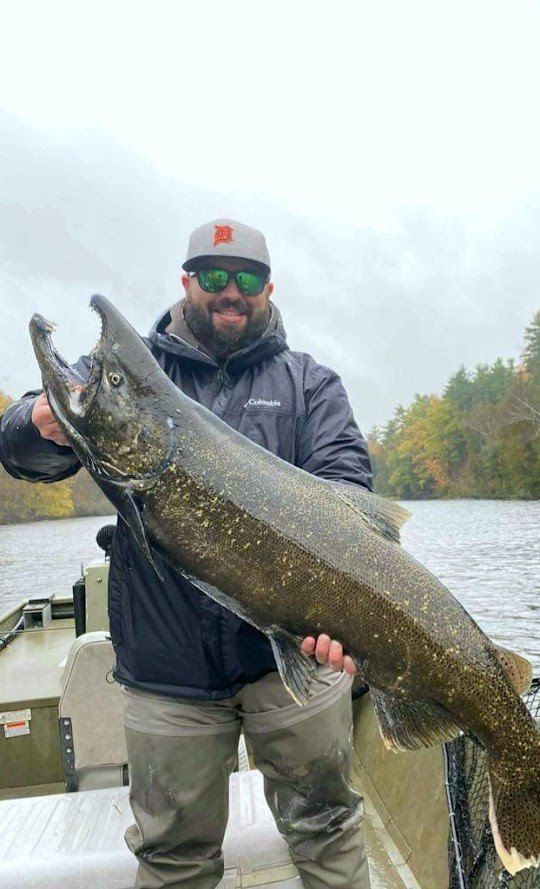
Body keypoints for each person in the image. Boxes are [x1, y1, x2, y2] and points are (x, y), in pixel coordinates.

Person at [0, 219, 373, 889]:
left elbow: (348, 491)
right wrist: (36, 422)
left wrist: (340, 613)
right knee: (174, 859)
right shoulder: (130, 372)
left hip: (290, 659)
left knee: (327, 832)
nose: (231, 291)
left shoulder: (309, 385)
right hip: (168, 671)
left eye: (247, 278)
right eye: (213, 275)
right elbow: (22, 449)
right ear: (186, 281)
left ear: (269, 288)